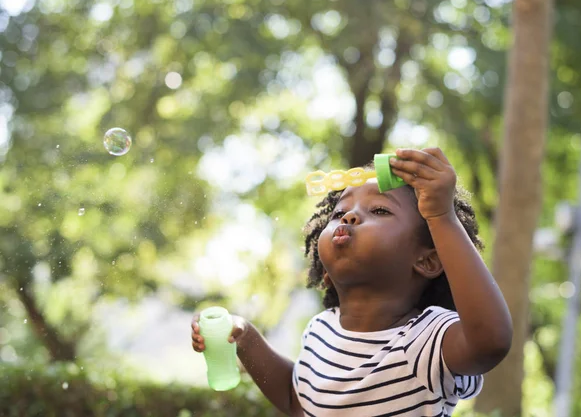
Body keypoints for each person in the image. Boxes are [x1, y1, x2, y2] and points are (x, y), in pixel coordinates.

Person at [191, 147, 513, 417]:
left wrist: (442, 217)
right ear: (327, 273)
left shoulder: (425, 340)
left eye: (380, 210)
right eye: (339, 212)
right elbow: (297, 399)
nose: (349, 216)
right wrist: (245, 337)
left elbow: (490, 341)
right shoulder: (321, 330)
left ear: (427, 260)